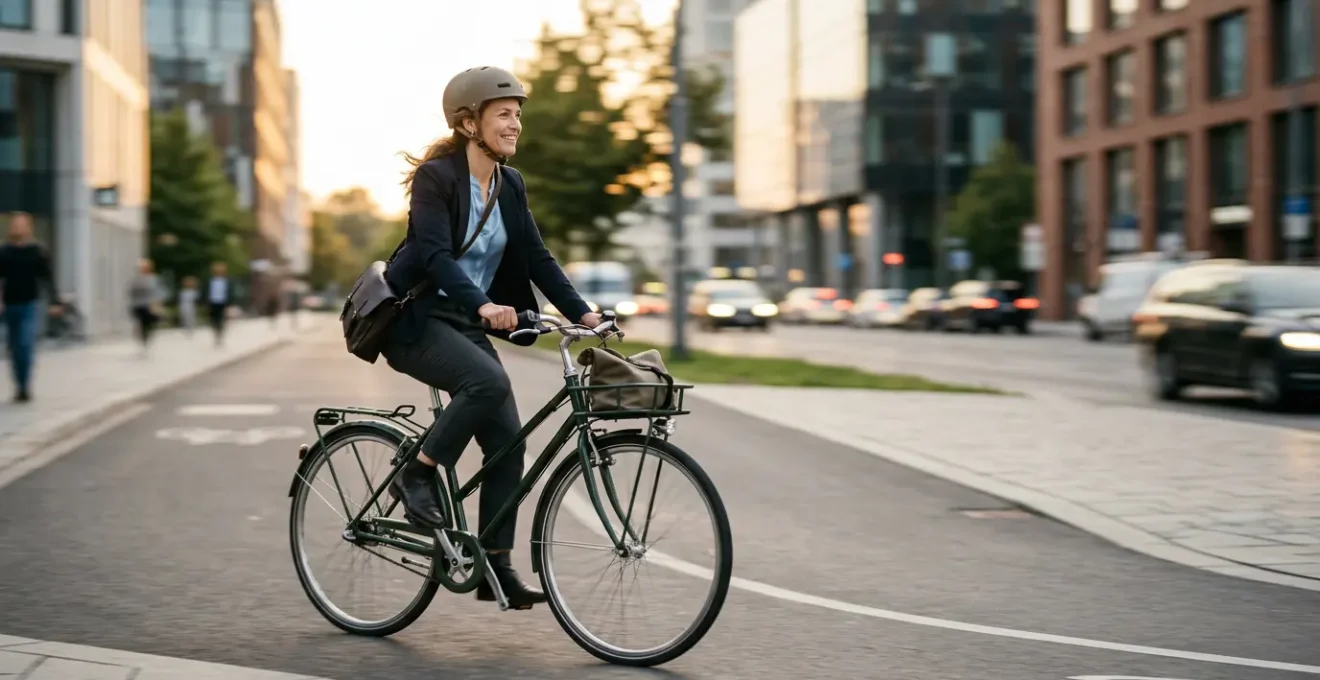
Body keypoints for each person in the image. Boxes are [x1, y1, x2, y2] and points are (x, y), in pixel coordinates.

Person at [382, 66, 603, 610]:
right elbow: (433, 254)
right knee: (483, 381)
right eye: (504, 114)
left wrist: (584, 313)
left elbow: (536, 257)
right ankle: (416, 474)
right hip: (415, 319)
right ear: (468, 122)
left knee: (508, 439)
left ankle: (495, 568)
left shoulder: (510, 184)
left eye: (518, 115)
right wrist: (482, 303)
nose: (515, 124)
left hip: (463, 322)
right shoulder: (439, 179)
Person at [0, 212, 59, 402]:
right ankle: (19, 385)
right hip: (9, 306)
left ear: (28, 228)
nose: (17, 228)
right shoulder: (4, 251)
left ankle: (25, 385)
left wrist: (54, 301)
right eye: (15, 225)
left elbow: (47, 278)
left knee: (25, 344)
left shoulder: (37, 251)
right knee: (13, 348)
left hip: (29, 305)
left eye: (21, 225)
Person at [127, 259, 165, 354]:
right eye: (141, 268)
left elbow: (158, 292)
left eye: (145, 267)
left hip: (149, 305)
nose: (143, 269)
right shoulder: (136, 279)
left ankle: (146, 337)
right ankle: (142, 337)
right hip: (138, 304)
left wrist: (159, 302)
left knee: (149, 323)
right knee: (140, 322)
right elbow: (131, 292)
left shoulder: (154, 279)